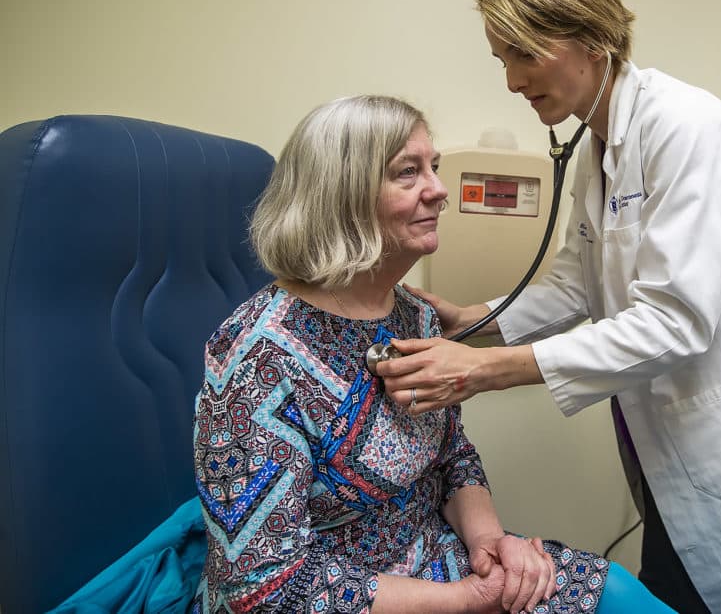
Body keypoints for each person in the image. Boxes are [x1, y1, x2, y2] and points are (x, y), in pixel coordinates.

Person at [376, 0, 721, 613]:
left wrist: (487, 372)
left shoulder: (689, 129)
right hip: (655, 422)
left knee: (711, 593)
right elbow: (576, 282)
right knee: (670, 578)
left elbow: (677, 321)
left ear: (590, 39)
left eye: (523, 55)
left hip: (712, 420)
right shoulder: (597, 147)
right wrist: (471, 321)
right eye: (500, 60)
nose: (511, 80)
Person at [191, 95, 675, 614]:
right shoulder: (256, 357)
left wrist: (490, 544)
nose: (440, 190)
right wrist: (465, 600)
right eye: (408, 172)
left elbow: (452, 457)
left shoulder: (415, 317)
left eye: (435, 168)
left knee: (619, 593)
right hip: (351, 596)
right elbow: (266, 591)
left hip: (436, 560)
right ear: (343, 193)